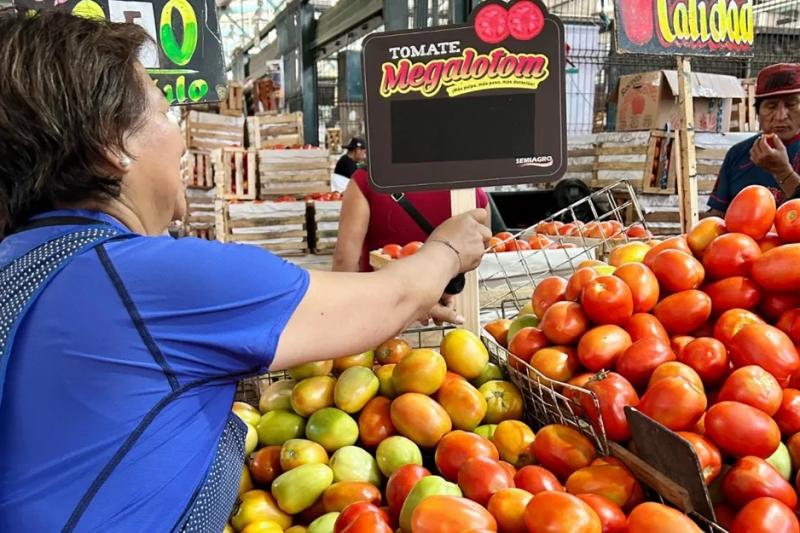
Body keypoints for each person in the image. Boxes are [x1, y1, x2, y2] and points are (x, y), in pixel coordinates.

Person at [0, 10, 490, 532]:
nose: (184, 137)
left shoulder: (21, 262)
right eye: (167, 114)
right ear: (112, 147)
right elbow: (389, 300)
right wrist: (447, 251)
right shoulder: (154, 283)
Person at [333, 168, 490, 272]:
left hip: (386, 306)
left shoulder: (367, 180)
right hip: (458, 308)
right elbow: (487, 253)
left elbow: (344, 261)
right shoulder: (473, 188)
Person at [705, 63, 800, 216]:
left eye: (791, 104)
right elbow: (718, 216)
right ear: (757, 113)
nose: (781, 116)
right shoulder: (738, 154)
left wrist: (783, 172)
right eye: (771, 106)